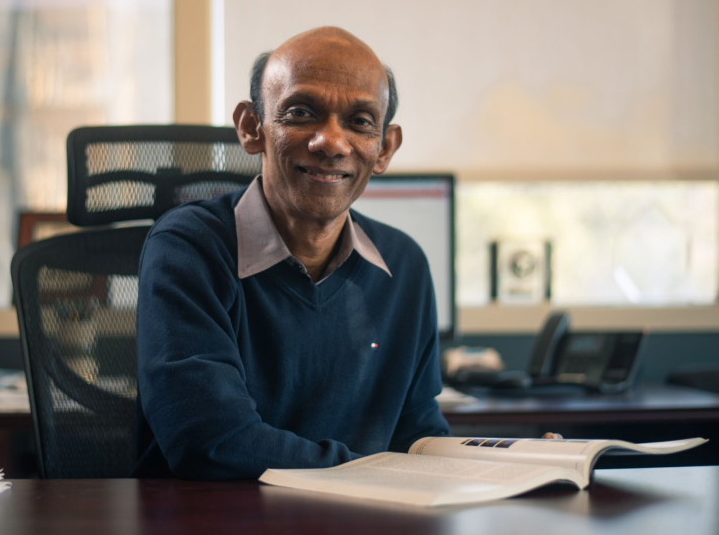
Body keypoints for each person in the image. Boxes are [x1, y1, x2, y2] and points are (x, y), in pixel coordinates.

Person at [133, 26, 552, 480]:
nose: (332, 143)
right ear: (252, 128)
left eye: (360, 122)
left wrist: (508, 461)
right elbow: (213, 443)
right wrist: (381, 474)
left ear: (385, 148)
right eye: (300, 112)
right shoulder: (189, 247)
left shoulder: (403, 264)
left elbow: (415, 432)